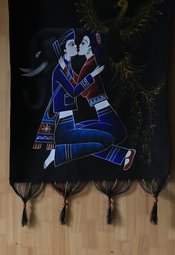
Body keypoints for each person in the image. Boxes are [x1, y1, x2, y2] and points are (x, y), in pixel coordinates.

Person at [38, 30, 114, 169]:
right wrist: (92, 75)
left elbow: (77, 85)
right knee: (107, 140)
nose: (76, 46)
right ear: (64, 49)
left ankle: (59, 152)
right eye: (72, 44)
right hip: (64, 127)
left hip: (69, 124)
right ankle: (57, 154)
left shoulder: (67, 68)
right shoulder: (59, 71)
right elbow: (74, 91)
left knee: (107, 139)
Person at [74, 33, 135, 170]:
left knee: (76, 134)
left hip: (110, 126)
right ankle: (123, 154)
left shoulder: (90, 66)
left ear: (90, 48)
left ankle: (123, 155)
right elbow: (81, 87)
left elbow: (82, 92)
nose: (79, 45)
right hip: (108, 121)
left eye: (83, 43)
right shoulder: (90, 64)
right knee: (76, 132)